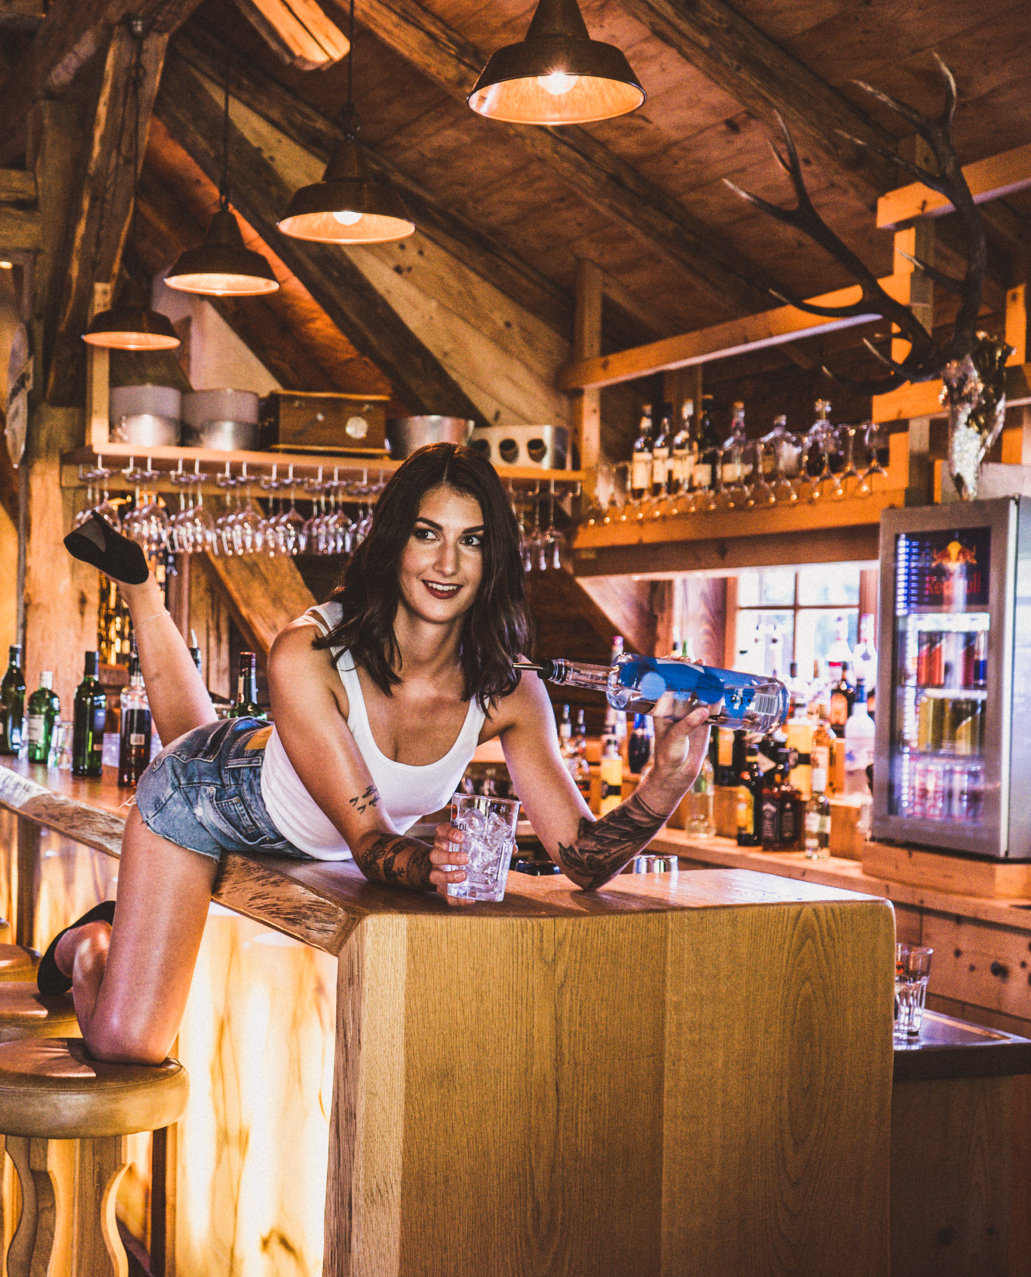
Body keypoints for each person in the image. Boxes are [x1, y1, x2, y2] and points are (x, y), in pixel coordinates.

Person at [53, 445, 713, 1064]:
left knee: (234, 742)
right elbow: (370, 842)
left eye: (472, 540)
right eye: (427, 533)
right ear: (394, 541)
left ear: (496, 559)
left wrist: (662, 785)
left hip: (294, 792)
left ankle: (144, 588)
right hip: (205, 797)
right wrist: (436, 867)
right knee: (127, 1043)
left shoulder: (511, 688)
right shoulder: (309, 651)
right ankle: (86, 942)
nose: (446, 564)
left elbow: (583, 860)